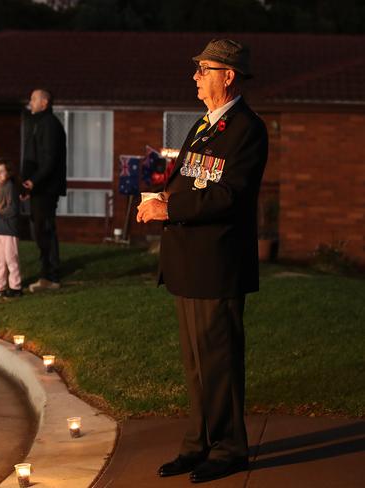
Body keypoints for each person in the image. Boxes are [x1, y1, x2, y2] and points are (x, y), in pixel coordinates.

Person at [136, 39, 268, 483]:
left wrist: (169, 210)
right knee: (196, 363)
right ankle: (198, 445)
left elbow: (228, 194)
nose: (195, 76)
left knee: (220, 362)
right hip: (188, 261)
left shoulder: (247, 128)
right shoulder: (202, 125)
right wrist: (159, 194)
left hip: (217, 262)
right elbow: (188, 177)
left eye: (203, 69)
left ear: (228, 75)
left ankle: (230, 449)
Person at [21, 89, 67, 293]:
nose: (30, 102)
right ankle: (45, 273)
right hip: (37, 187)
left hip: (46, 187)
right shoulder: (36, 123)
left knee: (45, 229)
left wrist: (34, 181)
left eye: (33, 99)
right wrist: (26, 183)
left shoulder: (50, 125)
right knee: (38, 230)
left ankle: (52, 275)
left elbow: (49, 159)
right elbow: (32, 156)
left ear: (45, 102)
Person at [0, 158, 23, 298]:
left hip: (9, 229)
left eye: (2, 171)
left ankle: (15, 287)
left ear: (8, 172)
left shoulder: (10, 187)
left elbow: (13, 209)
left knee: (11, 259)